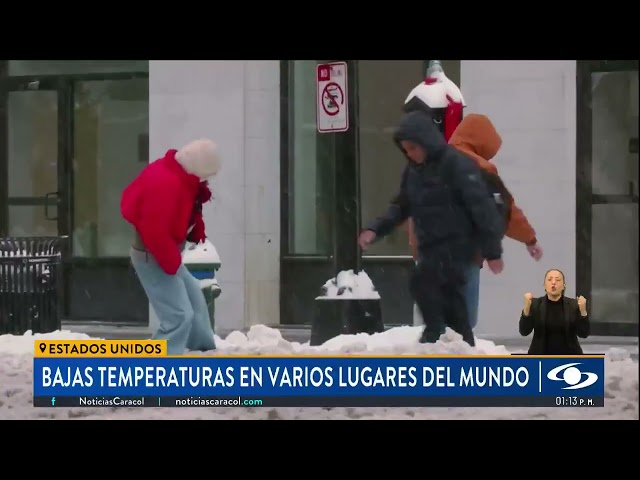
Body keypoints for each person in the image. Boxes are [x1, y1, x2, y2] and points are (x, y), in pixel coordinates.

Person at [359, 110, 505, 346]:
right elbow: (401, 205)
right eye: (406, 150)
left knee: (428, 282)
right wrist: (375, 229)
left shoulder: (457, 165)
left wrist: (492, 252)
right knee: (446, 296)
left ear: (426, 142)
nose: (410, 154)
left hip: (458, 243)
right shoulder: (413, 172)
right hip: (430, 244)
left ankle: (438, 334)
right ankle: (458, 341)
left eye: (414, 148)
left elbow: (482, 208)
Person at [121, 139, 221, 355]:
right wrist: (172, 263)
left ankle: (200, 350)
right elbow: (153, 231)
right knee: (179, 316)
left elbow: (185, 205)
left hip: (164, 252)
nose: (206, 180)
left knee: (195, 300)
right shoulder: (165, 183)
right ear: (198, 166)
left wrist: (195, 229)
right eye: (206, 175)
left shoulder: (180, 174)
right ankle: (158, 364)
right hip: (151, 254)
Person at [448, 113, 543, 331]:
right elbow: (503, 210)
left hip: (430, 253)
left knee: (436, 323)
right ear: (481, 141)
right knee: (463, 324)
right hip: (465, 254)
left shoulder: (432, 162)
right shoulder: (481, 168)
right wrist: (529, 239)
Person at [519, 269, 590, 355]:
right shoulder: (536, 305)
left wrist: (583, 311)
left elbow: (584, 334)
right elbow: (524, 331)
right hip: (540, 359)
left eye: (558, 280)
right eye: (549, 280)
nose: (553, 282)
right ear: (544, 285)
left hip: (569, 359)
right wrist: (526, 308)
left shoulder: (573, 305)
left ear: (563, 285)